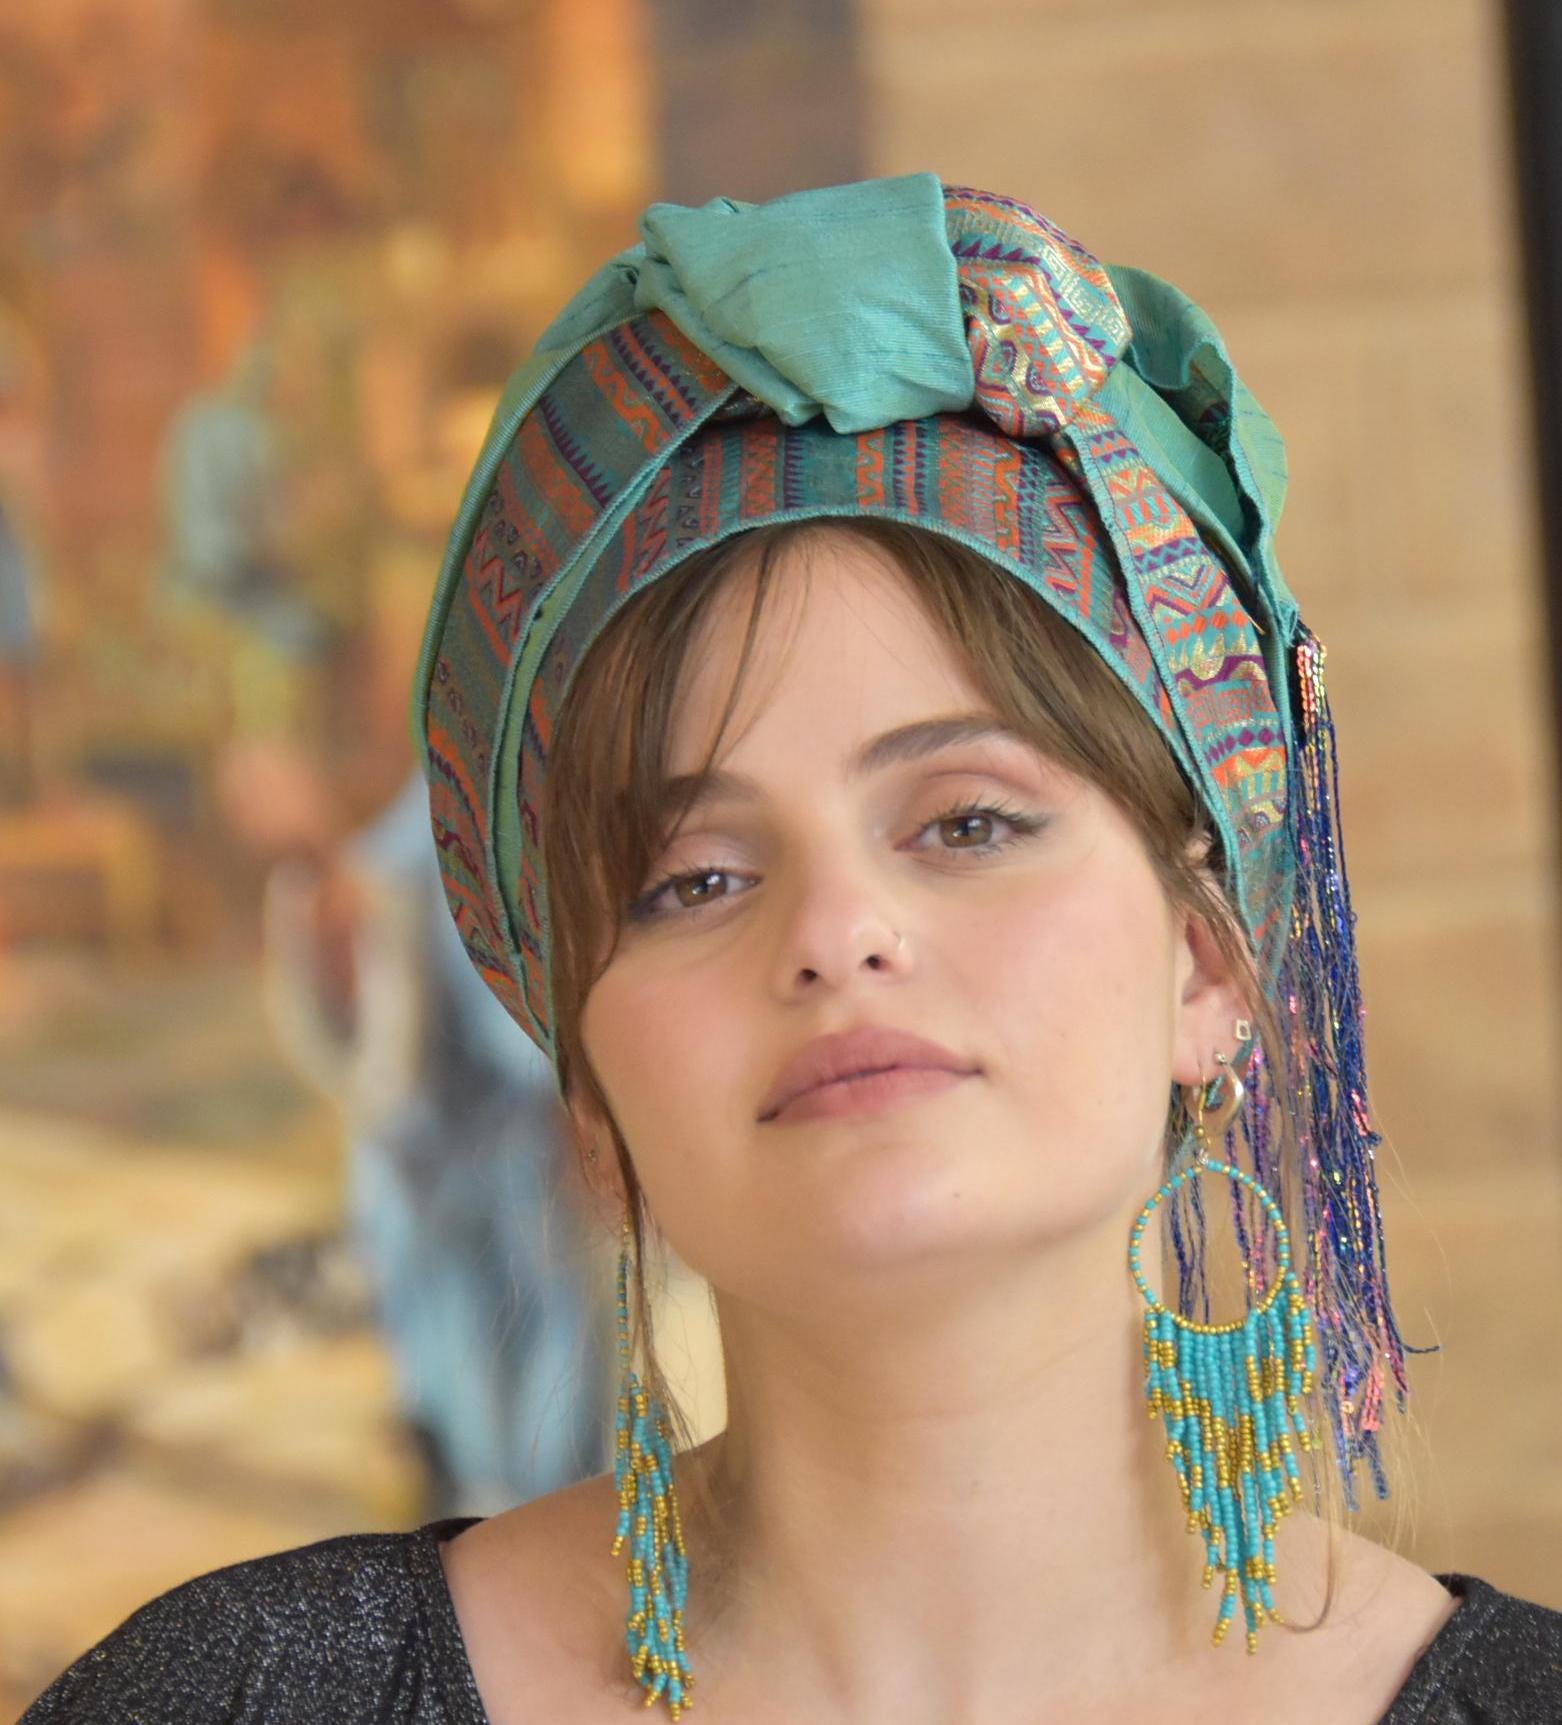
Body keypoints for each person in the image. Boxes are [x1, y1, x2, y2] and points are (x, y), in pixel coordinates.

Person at [19, 174, 1562, 1724]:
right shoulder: (241, 1698)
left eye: (965, 821)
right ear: (588, 1093)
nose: (834, 932)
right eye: (693, 878)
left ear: (1206, 967)